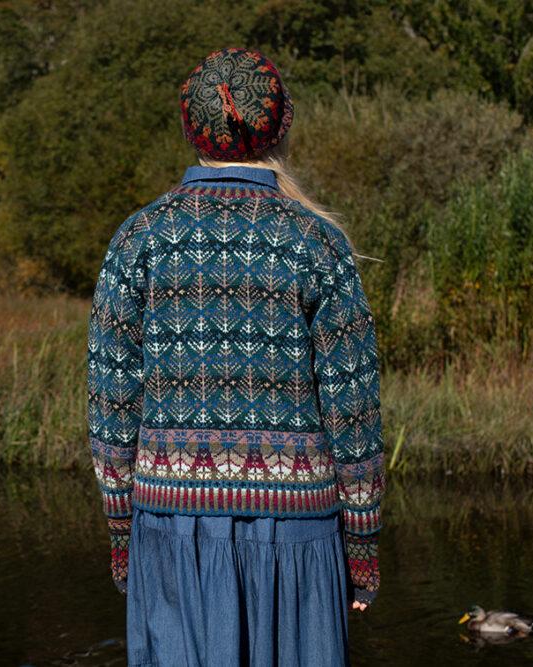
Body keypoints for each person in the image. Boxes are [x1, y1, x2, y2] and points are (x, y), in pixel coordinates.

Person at [87, 48, 383, 666]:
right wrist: (361, 551)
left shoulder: (139, 237)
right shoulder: (317, 242)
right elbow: (353, 413)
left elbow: (112, 410)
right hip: (297, 537)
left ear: (191, 129)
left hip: (170, 526)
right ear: (279, 127)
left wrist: (123, 538)